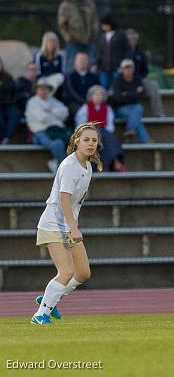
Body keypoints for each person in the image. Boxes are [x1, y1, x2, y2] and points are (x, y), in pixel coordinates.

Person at [31, 123, 101, 324]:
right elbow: (63, 200)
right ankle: (40, 314)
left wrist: (72, 226)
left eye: (94, 140)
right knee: (66, 271)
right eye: (86, 140)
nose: (90, 144)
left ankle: (49, 300)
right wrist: (73, 227)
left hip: (68, 225)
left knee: (83, 273)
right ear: (76, 141)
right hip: (53, 224)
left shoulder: (87, 166)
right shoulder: (70, 166)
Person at [76, 85, 127, 172]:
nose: (98, 97)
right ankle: (113, 163)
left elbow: (110, 125)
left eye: (100, 95)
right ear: (91, 96)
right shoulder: (85, 108)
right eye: (96, 95)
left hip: (103, 130)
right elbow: (80, 123)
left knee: (108, 139)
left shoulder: (107, 108)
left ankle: (113, 163)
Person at [25, 78, 71, 172]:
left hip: (57, 130)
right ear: (36, 90)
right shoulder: (32, 102)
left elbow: (65, 112)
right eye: (41, 88)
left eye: (45, 89)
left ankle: (56, 163)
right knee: (58, 144)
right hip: (40, 132)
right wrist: (56, 116)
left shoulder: (53, 100)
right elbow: (42, 118)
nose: (43, 91)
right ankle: (66, 170)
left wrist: (51, 111)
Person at [57, 0, 98, 70]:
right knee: (71, 64)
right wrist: (67, 36)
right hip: (74, 40)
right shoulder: (66, 5)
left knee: (90, 64)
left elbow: (94, 21)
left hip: (88, 39)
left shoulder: (89, 4)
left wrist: (94, 34)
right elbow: (62, 24)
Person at [126, 29, 165, 117]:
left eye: (133, 39)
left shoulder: (141, 54)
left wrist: (139, 82)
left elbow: (145, 71)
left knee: (154, 85)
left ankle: (159, 113)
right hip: (126, 81)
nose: (132, 41)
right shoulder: (121, 53)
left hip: (140, 80)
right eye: (129, 39)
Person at [110, 59, 151, 143]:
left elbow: (142, 94)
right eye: (126, 68)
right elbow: (118, 98)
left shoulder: (137, 79)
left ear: (133, 69)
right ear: (122, 69)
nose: (128, 70)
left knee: (138, 108)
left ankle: (130, 130)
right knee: (137, 117)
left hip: (134, 106)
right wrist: (134, 93)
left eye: (130, 68)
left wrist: (126, 94)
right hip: (120, 107)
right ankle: (146, 141)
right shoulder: (117, 81)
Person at [96, 15, 131, 89]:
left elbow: (127, 50)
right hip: (104, 68)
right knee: (103, 88)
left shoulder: (120, 35)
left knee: (117, 87)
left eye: (104, 24)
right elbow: (100, 52)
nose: (102, 26)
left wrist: (123, 65)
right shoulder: (102, 36)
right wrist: (97, 64)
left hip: (117, 68)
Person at [62, 52, 100, 117]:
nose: (82, 62)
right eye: (80, 60)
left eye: (84, 60)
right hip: (74, 104)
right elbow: (71, 93)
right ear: (75, 62)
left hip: (92, 103)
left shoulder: (93, 77)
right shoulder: (69, 76)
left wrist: (91, 102)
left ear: (88, 62)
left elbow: (97, 90)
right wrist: (85, 103)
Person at [0, 58, 21, 144]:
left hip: (8, 104)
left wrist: (12, 101)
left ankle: (7, 138)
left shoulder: (8, 77)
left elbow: (15, 92)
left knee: (15, 113)